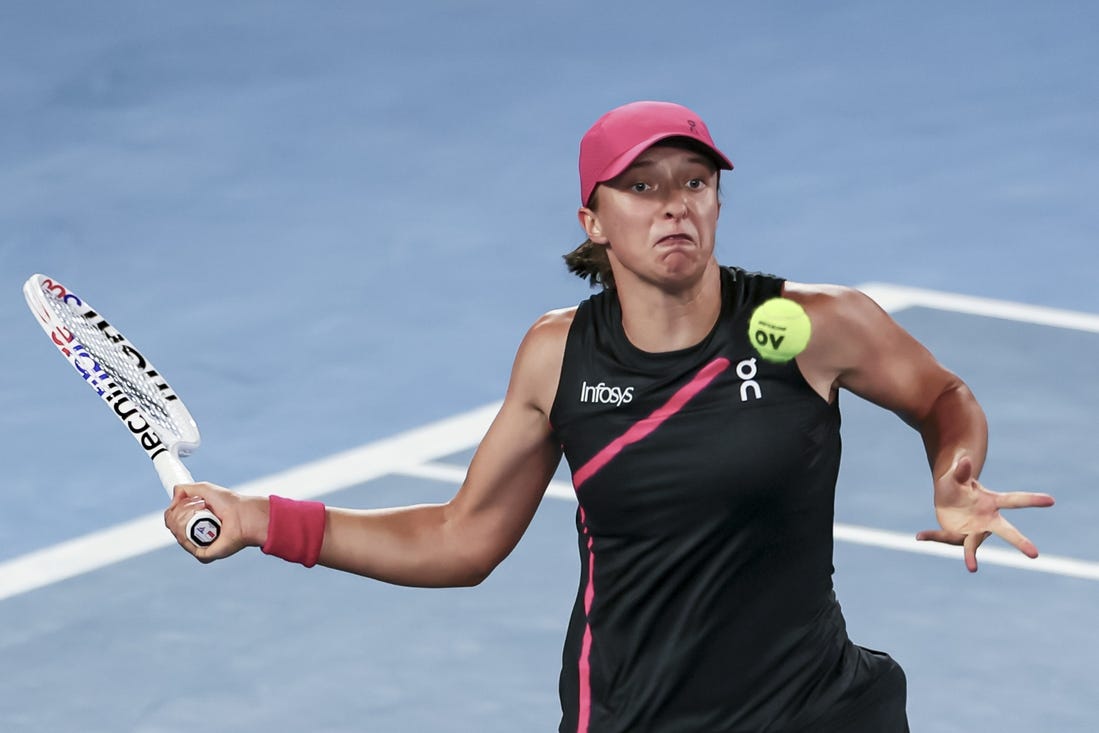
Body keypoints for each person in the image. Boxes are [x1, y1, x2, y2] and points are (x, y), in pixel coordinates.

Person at [165, 100, 1055, 732]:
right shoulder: (558, 357)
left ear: (715, 200)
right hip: (636, 713)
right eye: (641, 186)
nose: (673, 202)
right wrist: (259, 520)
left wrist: (953, 476)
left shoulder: (817, 326)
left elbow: (941, 396)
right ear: (593, 219)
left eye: (694, 181)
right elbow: (458, 538)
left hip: (815, 707)